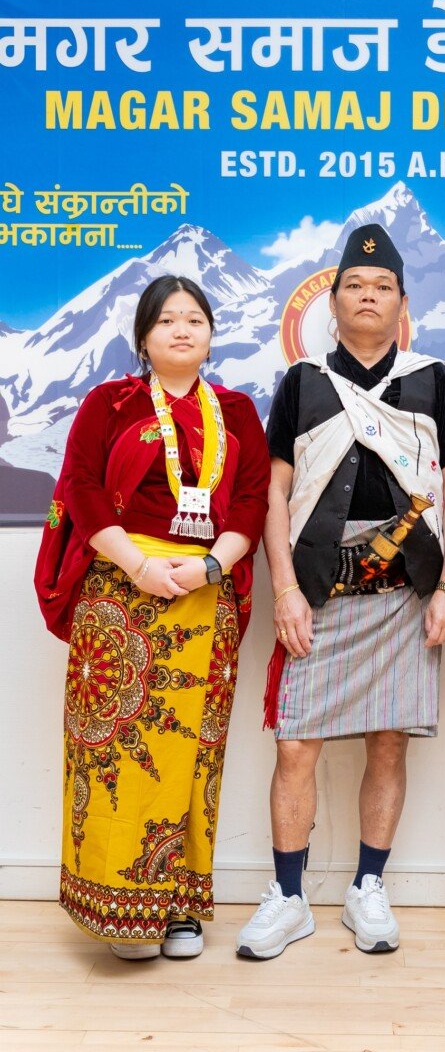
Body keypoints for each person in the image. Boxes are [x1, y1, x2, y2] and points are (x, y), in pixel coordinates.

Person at [236, 224, 445, 959]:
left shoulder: (432, 380)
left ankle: (369, 886)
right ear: (332, 302)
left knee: (389, 742)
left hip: (407, 588)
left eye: (383, 287)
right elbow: (274, 494)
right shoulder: (303, 382)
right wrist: (284, 589)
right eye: (355, 286)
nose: (369, 296)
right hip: (318, 586)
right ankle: (289, 897)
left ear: (403, 304)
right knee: (295, 744)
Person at [35, 275, 270, 960]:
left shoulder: (237, 411)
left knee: (194, 753)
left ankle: (178, 907)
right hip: (119, 592)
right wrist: (139, 566)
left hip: (204, 595)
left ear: (211, 334)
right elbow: (81, 488)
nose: (181, 329)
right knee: (114, 755)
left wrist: (213, 567)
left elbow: (252, 500)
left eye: (194, 318)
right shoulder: (109, 403)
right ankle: (114, 906)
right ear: (143, 337)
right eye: (166, 320)